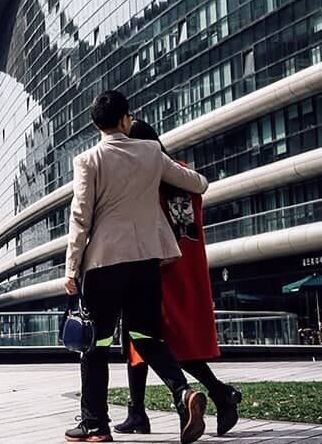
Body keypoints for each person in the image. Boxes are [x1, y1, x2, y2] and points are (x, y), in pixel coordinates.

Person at [64, 90, 209, 443]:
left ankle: (95, 425)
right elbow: (198, 184)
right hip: (146, 261)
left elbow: (80, 218)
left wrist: (71, 269)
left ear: (96, 124)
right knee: (146, 337)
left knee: (96, 344)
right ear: (125, 119)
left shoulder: (88, 160)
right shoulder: (151, 152)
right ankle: (183, 393)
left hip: (104, 263)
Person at [114, 119, 242, 438]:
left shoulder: (149, 176)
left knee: (153, 339)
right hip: (188, 265)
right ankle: (137, 411)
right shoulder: (182, 173)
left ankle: (217, 392)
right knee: (148, 339)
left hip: (158, 267)